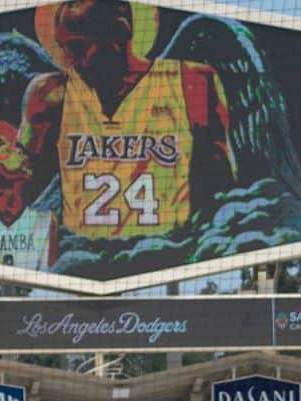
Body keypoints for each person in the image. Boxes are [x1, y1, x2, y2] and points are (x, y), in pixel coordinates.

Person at [18, 0, 234, 241]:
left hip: (168, 253)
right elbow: (17, 184)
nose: (69, 60)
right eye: (64, 47)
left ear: (119, 34)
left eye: (78, 48)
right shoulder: (51, 95)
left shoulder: (191, 82)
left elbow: (222, 189)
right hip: (82, 258)